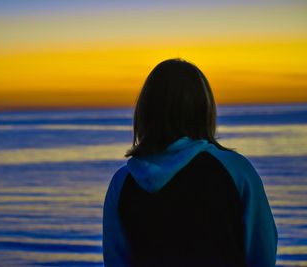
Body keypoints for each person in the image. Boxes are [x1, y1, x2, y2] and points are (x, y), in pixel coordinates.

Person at [102, 58, 278, 267]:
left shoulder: (123, 181)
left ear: (145, 111)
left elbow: (116, 260)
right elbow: (262, 254)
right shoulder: (236, 170)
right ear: (204, 109)